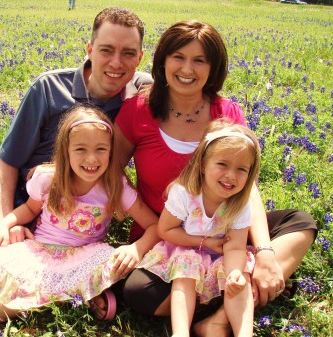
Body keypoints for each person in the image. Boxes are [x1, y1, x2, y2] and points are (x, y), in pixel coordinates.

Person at [0, 7, 152, 265]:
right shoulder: (49, 87)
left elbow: (183, 88)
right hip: (0, 183)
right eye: (106, 50)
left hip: (53, 210)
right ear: (89, 49)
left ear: (140, 57)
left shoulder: (142, 95)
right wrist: (5, 221)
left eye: (128, 53)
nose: (116, 62)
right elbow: (8, 160)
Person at [114, 20, 317, 337]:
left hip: (228, 233)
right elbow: (111, 173)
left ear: (213, 68)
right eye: (178, 57)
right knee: (139, 292)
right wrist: (143, 230)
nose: (187, 69)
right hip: (167, 236)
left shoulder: (227, 113)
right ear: (163, 60)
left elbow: (247, 188)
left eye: (199, 60)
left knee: (300, 223)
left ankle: (220, 316)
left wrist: (263, 252)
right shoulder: (138, 109)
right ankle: (246, 289)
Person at [0, 105, 158, 327]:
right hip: (41, 252)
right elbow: (29, 210)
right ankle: (82, 295)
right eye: (81, 149)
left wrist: (136, 248)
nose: (91, 159)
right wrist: (4, 224)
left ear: (111, 150)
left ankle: (8, 306)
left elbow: (154, 226)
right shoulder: (47, 178)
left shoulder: (114, 186)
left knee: (109, 258)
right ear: (66, 150)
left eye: (101, 149)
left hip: (84, 256)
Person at [137, 119, 261, 337]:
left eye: (241, 169)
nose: (231, 176)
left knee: (241, 279)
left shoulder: (240, 203)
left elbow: (235, 248)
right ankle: (181, 332)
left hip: (221, 255)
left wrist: (234, 273)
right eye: (222, 164)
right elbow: (165, 230)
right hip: (186, 248)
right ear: (203, 164)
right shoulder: (184, 193)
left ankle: (245, 333)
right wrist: (203, 242)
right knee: (186, 269)